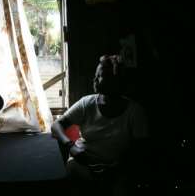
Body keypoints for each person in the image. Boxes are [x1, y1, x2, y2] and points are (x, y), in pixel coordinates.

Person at [51, 55, 149, 185]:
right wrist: (71, 146)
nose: (94, 79)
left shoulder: (134, 112)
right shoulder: (87, 103)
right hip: (83, 164)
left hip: (119, 168)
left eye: (99, 76)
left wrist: (117, 167)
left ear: (114, 81)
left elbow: (140, 148)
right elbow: (56, 125)